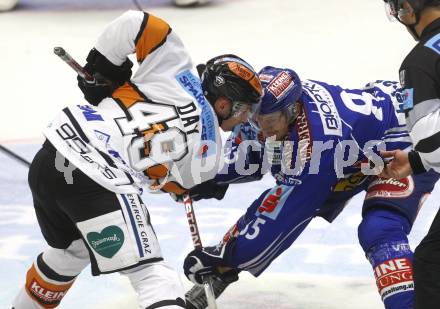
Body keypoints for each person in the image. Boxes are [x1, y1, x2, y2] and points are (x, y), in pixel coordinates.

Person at [11, 10, 262, 309]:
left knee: (70, 253)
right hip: (99, 173)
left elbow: (137, 23)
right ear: (223, 103)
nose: (247, 118)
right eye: (245, 109)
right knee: (153, 276)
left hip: (53, 153)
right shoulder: (210, 150)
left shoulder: (175, 69)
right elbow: (182, 186)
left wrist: (104, 69)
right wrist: (195, 187)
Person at [182, 66, 440, 309]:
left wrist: (224, 255)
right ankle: (225, 269)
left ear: (293, 110)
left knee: (380, 228)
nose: (261, 128)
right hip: (359, 147)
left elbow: (280, 218)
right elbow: (251, 155)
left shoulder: (313, 146)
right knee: (299, 194)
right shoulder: (265, 105)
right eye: (255, 117)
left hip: (404, 140)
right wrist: (205, 177)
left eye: (269, 120)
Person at [378, 1, 440, 308]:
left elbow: (431, 142)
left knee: (432, 267)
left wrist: (421, 155)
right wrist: (415, 161)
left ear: (407, 8)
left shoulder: (419, 62)